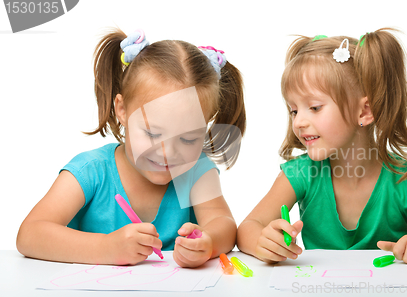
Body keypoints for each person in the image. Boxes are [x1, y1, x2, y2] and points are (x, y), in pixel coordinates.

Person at [237, 28, 407, 264]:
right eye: (294, 110)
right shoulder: (301, 173)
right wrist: (263, 242)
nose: (299, 122)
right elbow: (248, 227)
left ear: (365, 111)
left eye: (314, 107)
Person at [17, 28, 246, 267]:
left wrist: (208, 242)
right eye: (152, 133)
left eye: (188, 139)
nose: (167, 153)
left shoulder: (196, 171)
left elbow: (224, 224)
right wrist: (105, 248)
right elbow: (30, 235)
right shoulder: (91, 171)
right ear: (122, 110)